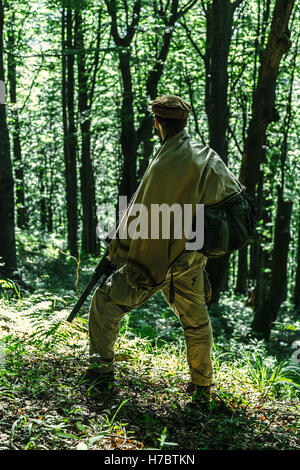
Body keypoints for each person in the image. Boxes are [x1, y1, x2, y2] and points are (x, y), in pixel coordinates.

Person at [86, 95, 240, 401]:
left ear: (158, 124)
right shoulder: (206, 155)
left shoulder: (162, 162)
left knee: (105, 303)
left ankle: (100, 373)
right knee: (196, 321)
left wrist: (116, 255)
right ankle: (202, 385)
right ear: (183, 122)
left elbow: (138, 213)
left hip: (154, 260)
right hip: (191, 256)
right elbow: (231, 197)